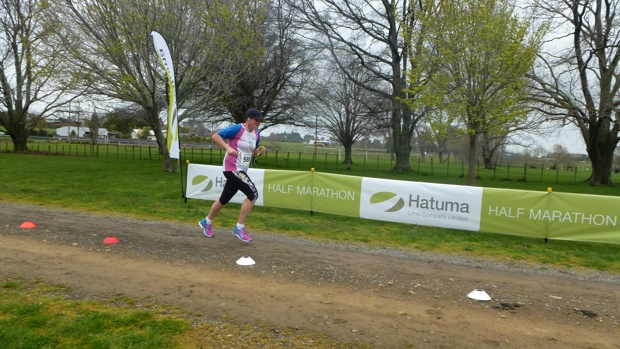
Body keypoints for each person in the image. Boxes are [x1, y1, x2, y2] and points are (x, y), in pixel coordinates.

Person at [198, 108, 266, 242]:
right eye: (256, 120)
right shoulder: (237, 129)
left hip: (242, 170)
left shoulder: (256, 134)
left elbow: (253, 152)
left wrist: (259, 152)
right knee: (253, 194)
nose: (258, 122)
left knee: (224, 198)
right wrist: (228, 148)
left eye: (260, 120)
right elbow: (215, 136)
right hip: (232, 168)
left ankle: (206, 222)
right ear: (249, 119)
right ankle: (239, 227)